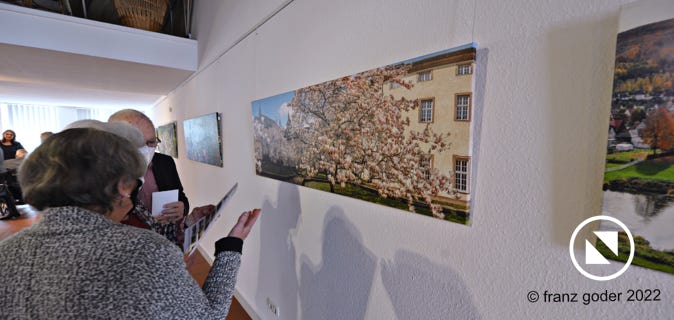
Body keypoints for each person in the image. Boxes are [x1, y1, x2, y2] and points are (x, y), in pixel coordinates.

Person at [0, 124, 261, 319]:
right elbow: (208, 316)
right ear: (118, 185)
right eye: (133, 183)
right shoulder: (146, 251)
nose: (133, 195)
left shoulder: (6, 254)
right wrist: (231, 246)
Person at [109, 109, 189, 246]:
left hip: (168, 241)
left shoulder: (165, 162)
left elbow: (180, 196)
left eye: (151, 142)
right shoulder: (102, 175)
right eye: (138, 144)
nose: (146, 150)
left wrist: (183, 208)